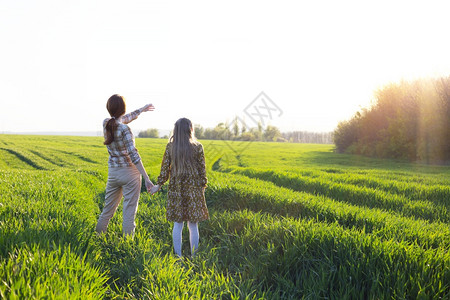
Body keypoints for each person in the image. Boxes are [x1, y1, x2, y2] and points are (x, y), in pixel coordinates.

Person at [96, 94, 155, 237]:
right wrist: (146, 178)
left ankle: (97, 239)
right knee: (129, 212)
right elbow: (133, 154)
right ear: (123, 108)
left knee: (107, 211)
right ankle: (127, 245)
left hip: (114, 173)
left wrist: (141, 110)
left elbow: (124, 118)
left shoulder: (106, 123)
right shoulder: (125, 129)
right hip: (129, 173)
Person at [151, 118, 209, 257]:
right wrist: (202, 186)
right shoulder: (198, 146)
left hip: (176, 189)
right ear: (190, 130)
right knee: (193, 225)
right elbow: (202, 170)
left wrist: (157, 186)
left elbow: (165, 170)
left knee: (178, 224)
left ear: (175, 130)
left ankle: (178, 256)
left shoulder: (171, 147)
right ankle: (194, 256)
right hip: (194, 189)